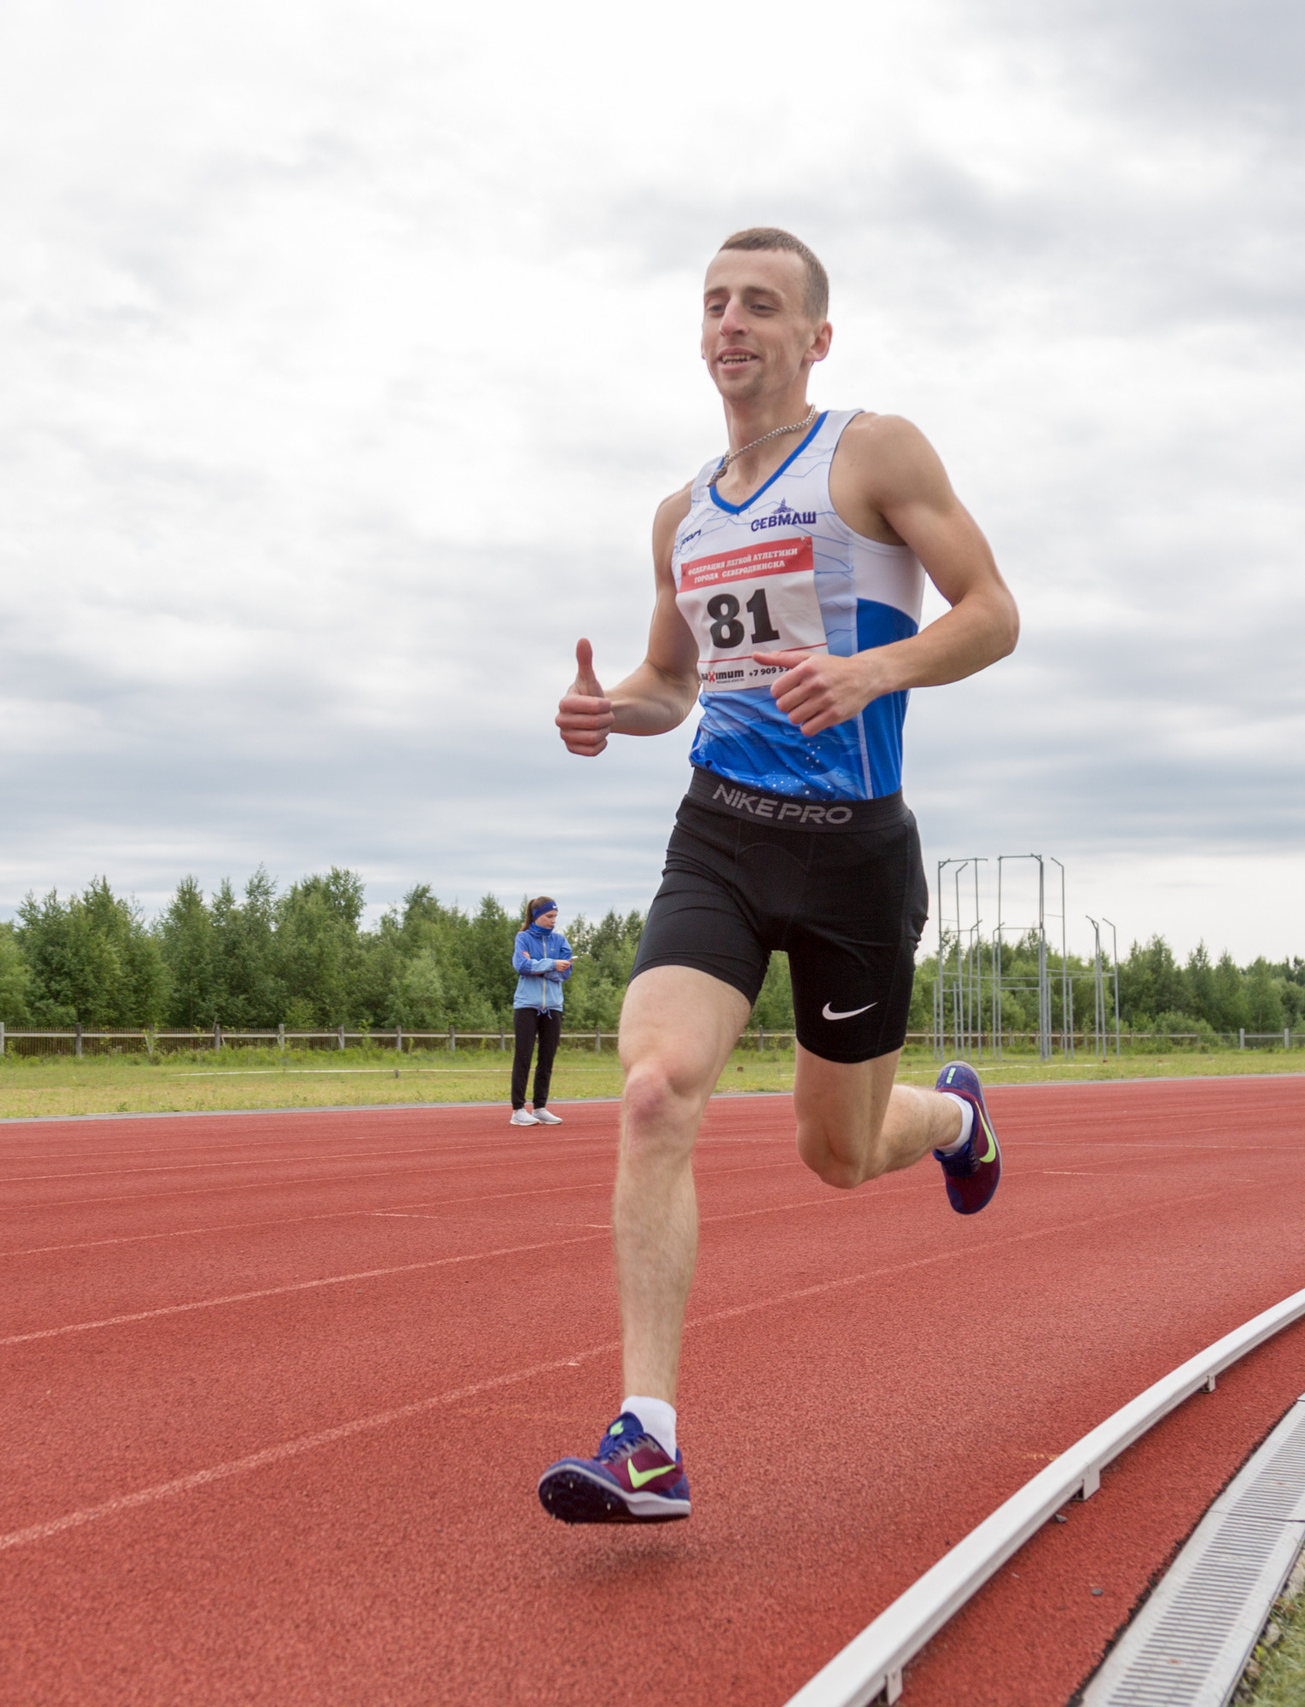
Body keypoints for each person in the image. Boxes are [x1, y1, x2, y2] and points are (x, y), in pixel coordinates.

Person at [540, 227, 1021, 1526]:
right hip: (724, 834)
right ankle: (648, 1437)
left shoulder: (875, 452)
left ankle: (959, 1119)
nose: (731, 322)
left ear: (816, 336)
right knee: (654, 1088)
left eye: (762, 303)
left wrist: (876, 667)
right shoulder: (680, 515)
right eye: (714, 302)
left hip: (856, 849)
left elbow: (991, 609)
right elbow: (672, 682)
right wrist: (609, 711)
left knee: (840, 1150)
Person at [510, 897, 573, 1126]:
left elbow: (565, 973)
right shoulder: (523, 938)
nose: (553, 921)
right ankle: (518, 1110)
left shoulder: (560, 940)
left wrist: (540, 966)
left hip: (553, 1006)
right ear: (537, 915)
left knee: (547, 1058)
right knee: (523, 1057)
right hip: (527, 1005)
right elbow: (521, 966)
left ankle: (539, 1107)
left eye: (555, 916)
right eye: (549, 916)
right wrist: (551, 964)